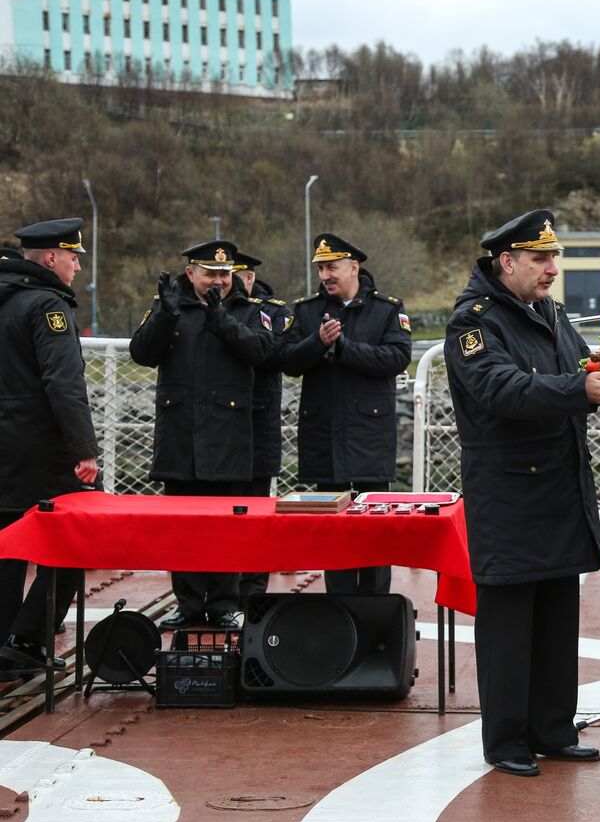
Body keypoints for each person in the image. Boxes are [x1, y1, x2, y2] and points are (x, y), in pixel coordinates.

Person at [445, 209, 600, 778]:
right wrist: (583, 389)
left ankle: (553, 727)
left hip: (557, 485)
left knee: (555, 616)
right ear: (507, 262)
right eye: (540, 259)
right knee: (508, 622)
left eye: (555, 257)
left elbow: (580, 362)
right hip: (509, 494)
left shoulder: (546, 311)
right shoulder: (474, 323)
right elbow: (501, 389)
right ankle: (505, 739)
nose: (553, 269)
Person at [128, 239, 273, 630]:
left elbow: (260, 351)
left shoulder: (247, 310)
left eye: (224, 275)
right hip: (180, 437)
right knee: (182, 528)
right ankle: (189, 604)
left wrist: (219, 318)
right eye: (210, 274)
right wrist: (164, 317)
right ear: (190, 273)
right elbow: (141, 352)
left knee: (227, 526)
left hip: (227, 439)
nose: (219, 282)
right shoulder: (169, 306)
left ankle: (225, 603)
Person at [280, 234, 411, 595]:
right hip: (324, 432)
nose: (325, 275)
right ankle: (338, 607)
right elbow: (288, 361)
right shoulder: (306, 311)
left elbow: (396, 358)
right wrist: (317, 342)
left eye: (332, 267)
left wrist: (344, 347)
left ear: (354, 267)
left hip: (369, 434)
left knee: (374, 526)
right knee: (332, 528)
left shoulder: (386, 310)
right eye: (321, 268)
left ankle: (375, 603)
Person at [0, 219, 99, 676]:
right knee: (80, 538)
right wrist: (83, 450)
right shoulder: (47, 307)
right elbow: (63, 384)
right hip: (41, 450)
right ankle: (31, 638)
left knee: (5, 546)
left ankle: (3, 644)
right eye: (73, 256)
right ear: (50, 258)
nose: (78, 265)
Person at [232, 251, 290, 605]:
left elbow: (272, 353)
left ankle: (252, 591)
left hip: (257, 425)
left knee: (254, 511)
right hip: (217, 431)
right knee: (217, 514)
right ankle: (216, 593)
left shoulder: (272, 312)